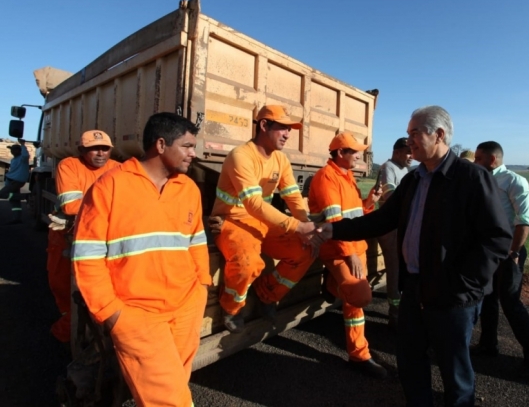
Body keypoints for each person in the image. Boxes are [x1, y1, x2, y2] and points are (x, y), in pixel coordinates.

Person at [315, 106, 512, 406]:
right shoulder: (414, 180)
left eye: (415, 133)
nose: (409, 141)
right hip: (415, 290)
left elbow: (497, 238)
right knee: (410, 363)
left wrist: (466, 284)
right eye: (408, 134)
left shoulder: (471, 178)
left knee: (455, 373)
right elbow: (380, 221)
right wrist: (331, 231)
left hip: (454, 295)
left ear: (440, 134)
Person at [71, 113, 211, 407]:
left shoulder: (188, 189)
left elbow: (197, 241)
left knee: (175, 383)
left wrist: (202, 286)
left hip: (186, 307)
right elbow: (87, 257)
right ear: (161, 144)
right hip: (137, 316)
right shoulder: (110, 186)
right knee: (171, 400)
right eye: (187, 146)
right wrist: (113, 314)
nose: (193, 154)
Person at [210, 105, 318, 333]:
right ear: (264, 125)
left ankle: (267, 294)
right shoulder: (241, 156)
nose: (288, 134)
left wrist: (305, 225)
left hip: (261, 222)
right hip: (232, 220)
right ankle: (232, 307)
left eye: (290, 129)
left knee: (306, 250)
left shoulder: (281, 159)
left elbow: (293, 197)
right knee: (248, 262)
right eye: (282, 128)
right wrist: (297, 225)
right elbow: (253, 204)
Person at [307, 132, 386, 379]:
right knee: (359, 296)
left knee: (353, 298)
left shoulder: (347, 175)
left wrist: (369, 203)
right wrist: (349, 253)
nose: (360, 156)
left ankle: (332, 287)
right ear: (341, 153)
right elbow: (335, 222)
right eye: (355, 152)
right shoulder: (326, 178)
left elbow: (353, 215)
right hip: (339, 248)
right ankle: (359, 355)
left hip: (353, 246)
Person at [472, 141, 529, 373]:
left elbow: (525, 219)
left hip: (509, 252)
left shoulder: (514, 181)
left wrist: (514, 252)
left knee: (511, 302)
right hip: (487, 251)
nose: (475, 163)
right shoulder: (480, 179)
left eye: (479, 158)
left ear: (493, 160)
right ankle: (488, 345)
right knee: (488, 298)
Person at [46, 130, 121, 343]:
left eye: (105, 148)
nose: (100, 153)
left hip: (100, 236)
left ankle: (76, 331)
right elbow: (70, 207)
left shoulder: (117, 168)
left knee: (94, 287)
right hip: (67, 235)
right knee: (62, 285)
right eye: (93, 149)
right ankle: (66, 333)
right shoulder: (69, 165)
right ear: (81, 150)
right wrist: (113, 207)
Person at [376, 137, 412, 329]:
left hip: (400, 225)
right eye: (407, 152)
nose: (411, 156)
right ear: (396, 151)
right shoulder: (389, 167)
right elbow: (389, 196)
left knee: (402, 268)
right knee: (394, 269)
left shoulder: (404, 169)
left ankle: (400, 308)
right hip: (389, 227)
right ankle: (395, 314)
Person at [0, 140, 30, 224]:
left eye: (13, 149)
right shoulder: (14, 159)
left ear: (19, 150)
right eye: (11, 149)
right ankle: (17, 218)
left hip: (16, 181)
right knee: (14, 201)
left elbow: (26, 155)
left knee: (2, 194)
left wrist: (23, 145)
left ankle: (25, 196)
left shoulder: (22, 158)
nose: (11, 151)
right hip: (10, 180)